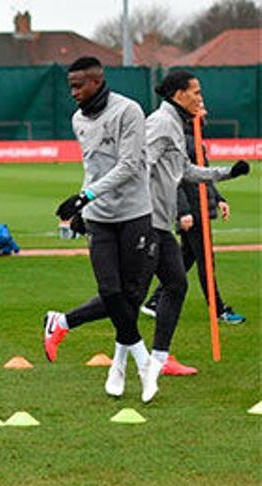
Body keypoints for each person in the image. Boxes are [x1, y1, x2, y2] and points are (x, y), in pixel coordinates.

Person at [44, 70, 248, 401]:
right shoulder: (160, 123)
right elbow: (138, 168)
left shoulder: (175, 122)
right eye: (195, 92)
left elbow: (182, 171)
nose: (200, 97)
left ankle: (155, 360)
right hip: (144, 221)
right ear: (179, 94)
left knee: (171, 285)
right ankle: (87, 339)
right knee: (130, 295)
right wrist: (88, 209)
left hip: (159, 222)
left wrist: (226, 174)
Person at [46, 57, 154, 401]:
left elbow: (130, 165)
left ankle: (116, 366)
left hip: (135, 213)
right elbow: (92, 169)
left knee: (131, 297)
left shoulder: (129, 111)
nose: (74, 93)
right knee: (110, 291)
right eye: (70, 87)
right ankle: (144, 364)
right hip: (101, 218)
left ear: (97, 81)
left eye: (79, 86)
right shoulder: (78, 119)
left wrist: (84, 197)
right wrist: (84, 207)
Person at [142, 121, 247, 326]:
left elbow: (202, 174)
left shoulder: (194, 139)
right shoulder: (182, 140)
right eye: (199, 105)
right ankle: (218, 310)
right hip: (193, 211)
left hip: (199, 208)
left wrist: (218, 198)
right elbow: (177, 179)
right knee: (206, 261)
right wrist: (183, 212)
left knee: (186, 258)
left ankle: (154, 301)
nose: (204, 110)